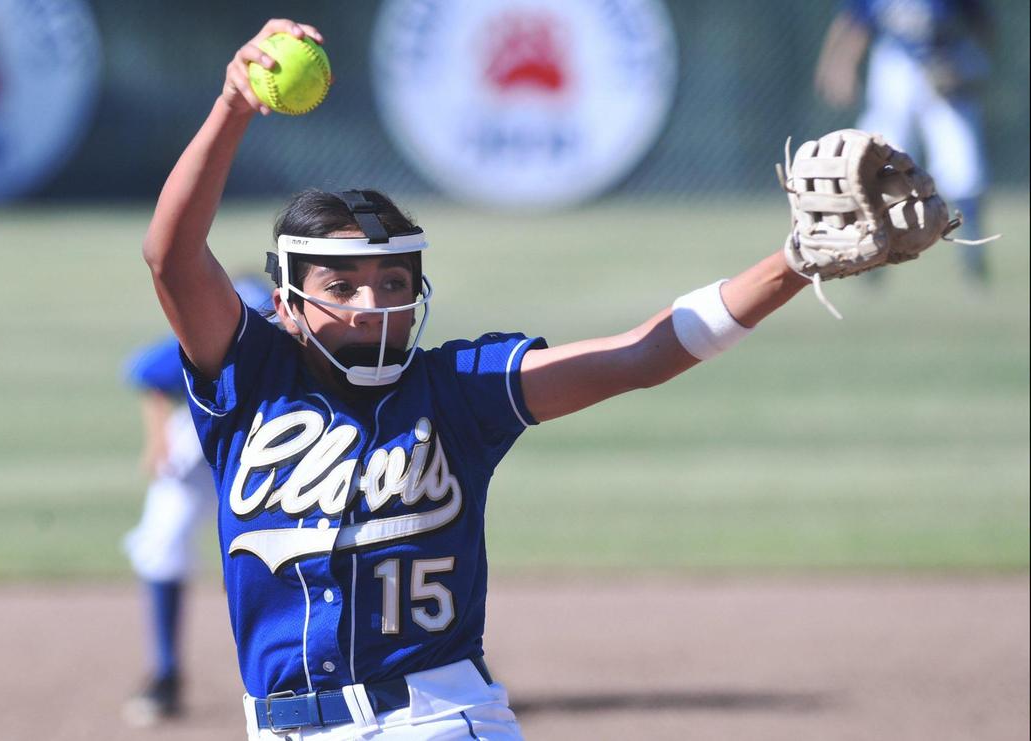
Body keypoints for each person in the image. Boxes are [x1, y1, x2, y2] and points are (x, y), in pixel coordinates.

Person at [143, 19, 921, 741]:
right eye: (342, 285)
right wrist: (233, 106)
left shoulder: (462, 389)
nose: (374, 301)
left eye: (391, 279)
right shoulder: (249, 378)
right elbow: (172, 255)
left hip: (437, 720)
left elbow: (640, 355)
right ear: (285, 301)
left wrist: (791, 265)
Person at [121, 276, 274, 726]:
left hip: (276, 443)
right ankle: (165, 674)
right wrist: (156, 439)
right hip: (197, 444)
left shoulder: (288, 325)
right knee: (162, 546)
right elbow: (149, 374)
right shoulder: (214, 320)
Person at [814, 0, 994, 283]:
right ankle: (867, 257)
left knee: (961, 161)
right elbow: (854, 22)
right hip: (895, 64)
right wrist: (837, 66)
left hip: (944, 60)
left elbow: (980, 20)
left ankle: (974, 261)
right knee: (873, 159)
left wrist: (969, 63)